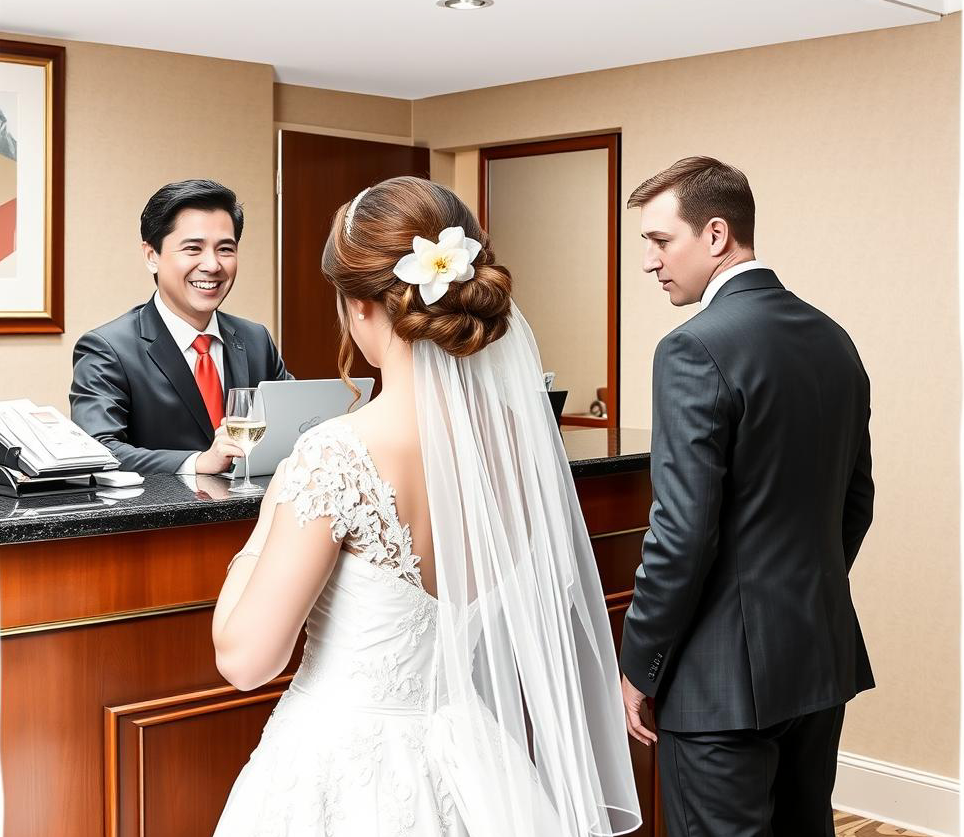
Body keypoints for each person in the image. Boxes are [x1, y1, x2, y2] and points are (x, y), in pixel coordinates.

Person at [211, 177, 641, 836]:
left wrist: (264, 527)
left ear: (360, 307)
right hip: (472, 757)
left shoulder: (337, 454)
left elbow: (246, 661)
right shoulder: (522, 444)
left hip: (343, 767)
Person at [620, 157, 874, 837]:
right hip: (817, 655)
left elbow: (681, 533)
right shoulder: (833, 338)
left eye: (660, 240)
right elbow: (856, 502)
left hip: (717, 682)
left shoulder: (691, 348)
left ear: (715, 234)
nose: (648, 261)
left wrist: (639, 665)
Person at [70, 179, 292, 475]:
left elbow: (292, 421)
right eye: (193, 249)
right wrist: (198, 462)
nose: (212, 265)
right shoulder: (107, 348)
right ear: (152, 256)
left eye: (225, 249)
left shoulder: (255, 339)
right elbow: (97, 448)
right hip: (164, 519)